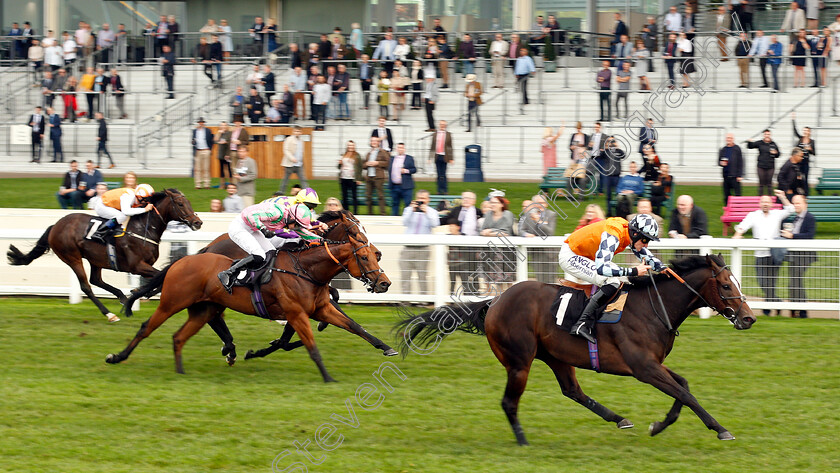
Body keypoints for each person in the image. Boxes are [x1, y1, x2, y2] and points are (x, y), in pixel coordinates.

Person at [561, 214, 665, 343]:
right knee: (612, 281)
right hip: (571, 255)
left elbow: (642, 252)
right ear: (635, 234)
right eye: (645, 240)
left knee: (625, 279)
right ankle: (582, 324)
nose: (646, 245)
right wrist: (634, 271)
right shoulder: (613, 234)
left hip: (588, 256)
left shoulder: (628, 232)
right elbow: (602, 269)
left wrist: (661, 267)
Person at [218, 200, 324, 293]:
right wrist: (263, 229)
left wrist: (322, 241)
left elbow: (304, 233)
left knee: (272, 253)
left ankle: (255, 279)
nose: (298, 228)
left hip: (252, 228)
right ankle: (228, 273)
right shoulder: (277, 213)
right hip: (240, 227)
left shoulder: (290, 218)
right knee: (259, 255)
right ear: (291, 218)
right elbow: (249, 215)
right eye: (297, 225)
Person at [733, 190, 794, 316]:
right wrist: (737, 236)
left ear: (771, 204)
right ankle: (778, 304)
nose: (765, 204)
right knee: (763, 283)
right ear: (759, 203)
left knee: (771, 283)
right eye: (763, 202)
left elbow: (791, 209)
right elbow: (742, 227)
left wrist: (782, 197)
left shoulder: (777, 214)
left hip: (774, 254)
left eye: (767, 202)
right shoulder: (753, 215)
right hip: (760, 254)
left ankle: (768, 309)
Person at [782, 194, 816, 318]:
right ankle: (796, 308)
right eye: (794, 203)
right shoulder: (795, 218)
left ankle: (801, 310)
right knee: (794, 282)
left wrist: (792, 236)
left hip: (804, 255)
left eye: (798, 203)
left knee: (796, 282)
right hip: (795, 255)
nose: (796, 205)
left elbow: (809, 235)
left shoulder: (809, 217)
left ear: (805, 204)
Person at [401, 189, 439, 295]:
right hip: (408, 248)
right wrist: (412, 210)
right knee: (405, 275)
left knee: (422, 276)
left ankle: (423, 300)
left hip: (423, 248)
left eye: (424, 199)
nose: (421, 201)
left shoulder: (432, 211)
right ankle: (405, 301)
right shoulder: (409, 210)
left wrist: (426, 211)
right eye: (420, 198)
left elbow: (435, 223)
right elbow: (404, 222)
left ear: (428, 200)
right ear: (416, 199)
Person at [445, 192, 483, 295]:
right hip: (457, 247)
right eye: (464, 198)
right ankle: (454, 294)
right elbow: (447, 220)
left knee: (472, 270)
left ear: (474, 201)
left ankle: (474, 292)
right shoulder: (456, 210)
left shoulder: (478, 212)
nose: (466, 200)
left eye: (469, 198)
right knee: (458, 272)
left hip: (472, 246)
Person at [747, 129, 780, 196]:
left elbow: (778, 154)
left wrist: (776, 153)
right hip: (761, 166)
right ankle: (760, 199)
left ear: (770, 135)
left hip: (770, 167)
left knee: (769, 184)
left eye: (768, 134)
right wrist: (749, 142)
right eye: (765, 134)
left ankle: (770, 198)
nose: (767, 136)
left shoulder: (773, 144)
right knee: (761, 183)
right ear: (763, 135)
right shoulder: (760, 143)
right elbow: (750, 146)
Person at [364, 136, 390, 216]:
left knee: (380, 196)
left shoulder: (383, 152)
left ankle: (383, 214)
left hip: (378, 177)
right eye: (372, 141)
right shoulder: (368, 153)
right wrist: (367, 164)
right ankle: (370, 213)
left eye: (375, 141)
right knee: (368, 196)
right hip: (369, 177)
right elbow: (363, 165)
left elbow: (387, 162)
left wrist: (377, 163)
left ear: (379, 142)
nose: (373, 142)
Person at [389, 142, 417, 216]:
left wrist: (406, 171)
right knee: (395, 204)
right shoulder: (392, 159)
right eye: (399, 147)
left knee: (407, 204)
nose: (400, 149)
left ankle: (407, 219)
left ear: (404, 149)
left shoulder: (409, 158)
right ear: (396, 149)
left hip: (406, 186)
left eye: (402, 148)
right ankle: (394, 220)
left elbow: (414, 169)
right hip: (395, 186)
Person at [791, 112, 815, 195]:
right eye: (804, 130)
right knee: (798, 177)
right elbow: (795, 131)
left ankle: (806, 194)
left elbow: (814, 153)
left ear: (809, 132)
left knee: (806, 178)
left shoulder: (812, 141)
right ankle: (798, 192)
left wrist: (810, 149)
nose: (805, 132)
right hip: (799, 162)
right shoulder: (800, 138)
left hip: (806, 163)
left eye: (807, 131)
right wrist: (793, 120)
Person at [280, 126, 309, 194]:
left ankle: (307, 194)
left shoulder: (301, 141)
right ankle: (281, 192)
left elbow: (301, 152)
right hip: (290, 164)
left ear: (301, 132)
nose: (297, 133)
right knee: (285, 180)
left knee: (303, 179)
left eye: (299, 131)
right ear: (293, 132)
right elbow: (286, 150)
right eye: (296, 131)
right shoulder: (289, 139)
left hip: (299, 164)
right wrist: (291, 158)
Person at [429, 120, 453, 194]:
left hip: (444, 156)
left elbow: (450, 147)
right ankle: (439, 190)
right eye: (441, 124)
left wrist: (451, 158)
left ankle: (445, 190)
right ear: (439, 125)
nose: (442, 126)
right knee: (439, 174)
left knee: (444, 174)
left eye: (444, 124)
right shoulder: (435, 134)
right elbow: (432, 146)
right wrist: (430, 157)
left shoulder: (448, 134)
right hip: (437, 156)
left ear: (445, 125)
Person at [338, 140, 363, 213]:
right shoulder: (343, 154)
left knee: (354, 196)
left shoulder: (357, 155)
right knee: (344, 196)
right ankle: (346, 212)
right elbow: (339, 167)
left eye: (352, 145)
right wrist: (340, 163)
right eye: (349, 145)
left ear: (354, 146)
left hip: (352, 178)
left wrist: (359, 179)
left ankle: (355, 212)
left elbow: (360, 167)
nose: (350, 147)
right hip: (344, 177)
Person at [720, 133, 744, 204]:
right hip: (726, 175)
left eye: (730, 138)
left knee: (737, 194)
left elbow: (741, 162)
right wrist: (721, 163)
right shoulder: (723, 149)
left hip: (735, 176)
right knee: (726, 194)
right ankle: (727, 209)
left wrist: (740, 175)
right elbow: (719, 161)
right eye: (727, 138)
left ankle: (738, 209)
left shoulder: (737, 149)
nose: (729, 139)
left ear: (733, 139)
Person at [191, 117, 214, 189]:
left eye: (202, 122)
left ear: (203, 123)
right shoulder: (195, 131)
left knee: (206, 168)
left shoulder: (208, 130)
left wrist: (210, 149)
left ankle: (207, 184)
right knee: (198, 169)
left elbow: (211, 141)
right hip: (198, 150)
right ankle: (198, 184)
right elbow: (193, 140)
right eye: (199, 122)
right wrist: (193, 142)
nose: (201, 123)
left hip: (206, 150)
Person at [214, 121, 232, 187]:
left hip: (227, 153)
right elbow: (215, 140)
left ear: (227, 126)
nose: (223, 127)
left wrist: (228, 154)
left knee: (229, 169)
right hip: (221, 154)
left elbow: (230, 143)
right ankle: (222, 184)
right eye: (222, 125)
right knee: (221, 170)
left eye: (224, 125)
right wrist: (219, 133)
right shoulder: (219, 133)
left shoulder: (230, 133)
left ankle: (231, 184)